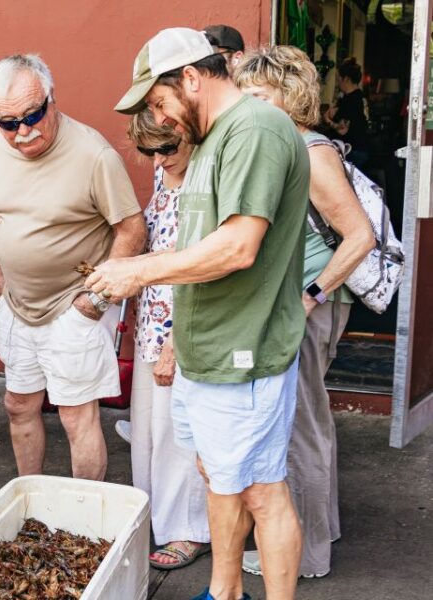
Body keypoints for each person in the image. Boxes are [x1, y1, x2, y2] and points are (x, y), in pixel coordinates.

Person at [102, 28, 310, 600]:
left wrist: (138, 270)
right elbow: (201, 242)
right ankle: (223, 593)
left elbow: (240, 246)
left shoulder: (257, 130)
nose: (161, 119)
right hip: (207, 350)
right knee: (220, 479)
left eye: (160, 103)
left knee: (262, 492)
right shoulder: (217, 135)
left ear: (191, 78)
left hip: (246, 356)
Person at [235, 45, 374, 580]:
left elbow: (358, 236)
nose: (247, 106)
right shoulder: (282, 143)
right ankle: (320, 531)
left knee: (301, 428)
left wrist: (309, 295)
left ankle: (308, 553)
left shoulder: (311, 151)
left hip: (310, 308)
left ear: (288, 98)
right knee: (307, 424)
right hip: (303, 306)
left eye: (258, 96)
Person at [0, 54, 147, 482]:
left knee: (77, 416)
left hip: (71, 309)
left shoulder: (94, 155)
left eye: (33, 114)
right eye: (7, 121)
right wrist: (0, 278)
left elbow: (131, 229)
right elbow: (1, 215)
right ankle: (31, 500)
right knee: (18, 406)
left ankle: (84, 518)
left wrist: (94, 301)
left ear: (52, 99)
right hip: (17, 306)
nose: (23, 131)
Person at [124, 110, 211, 571]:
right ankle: (154, 517)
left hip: (182, 323)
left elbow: (201, 268)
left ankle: (188, 530)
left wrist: (175, 342)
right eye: (149, 150)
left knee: (179, 433)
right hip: (150, 320)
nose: (158, 158)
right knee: (149, 431)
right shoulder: (166, 176)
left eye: (166, 147)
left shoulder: (203, 181)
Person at [323, 57, 369, 168]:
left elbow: (342, 130)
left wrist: (328, 121)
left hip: (353, 151)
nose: (338, 83)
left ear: (346, 79)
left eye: (339, 79)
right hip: (359, 149)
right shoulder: (357, 97)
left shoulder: (351, 100)